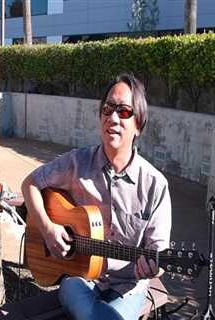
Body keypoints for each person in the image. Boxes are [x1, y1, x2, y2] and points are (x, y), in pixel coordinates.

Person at [21, 73, 171, 320]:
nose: (112, 117)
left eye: (123, 111)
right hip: (78, 280)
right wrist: (48, 229)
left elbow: (159, 251)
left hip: (127, 287)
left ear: (139, 124)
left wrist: (153, 266)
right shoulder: (77, 163)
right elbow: (31, 184)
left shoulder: (155, 185)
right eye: (107, 109)